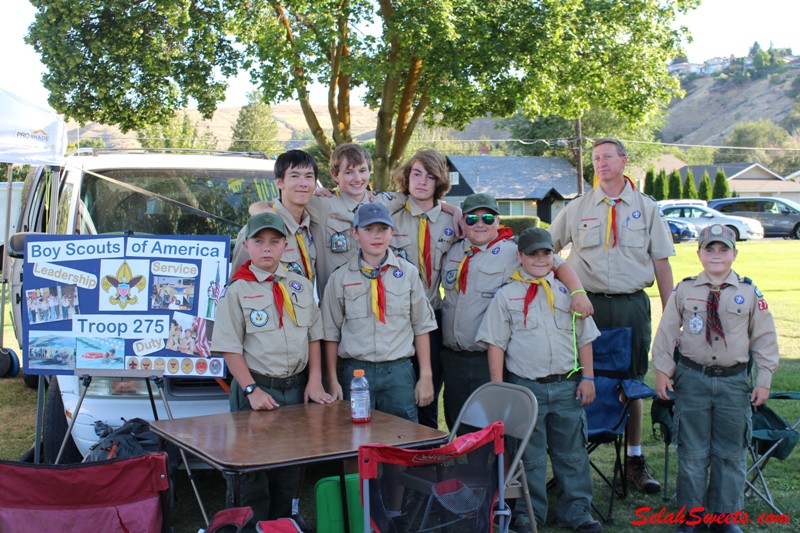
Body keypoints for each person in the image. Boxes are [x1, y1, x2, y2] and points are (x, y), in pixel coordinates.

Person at [549, 137, 675, 494]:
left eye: (607, 157)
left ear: (624, 160)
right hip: (586, 306)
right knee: (577, 378)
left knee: (630, 382)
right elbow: (548, 249)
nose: (601, 163)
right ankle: (572, 462)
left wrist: (671, 314)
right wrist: (569, 288)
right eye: (595, 159)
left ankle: (634, 461)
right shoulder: (578, 207)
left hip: (630, 304)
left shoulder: (646, 208)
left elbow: (662, 263)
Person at [652, 224, 779, 533]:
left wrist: (763, 380)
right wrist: (662, 371)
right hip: (692, 378)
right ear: (699, 253)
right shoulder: (684, 290)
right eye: (710, 249)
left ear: (734, 254)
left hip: (733, 383)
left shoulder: (749, 292)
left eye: (724, 249)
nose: (717, 255)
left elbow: (764, 339)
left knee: (730, 452)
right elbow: (667, 334)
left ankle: (724, 517)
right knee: (692, 452)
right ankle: (692, 516)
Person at [477, 227, 602, 533]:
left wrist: (588, 378)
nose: (540, 259)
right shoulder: (507, 296)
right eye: (532, 254)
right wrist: (499, 390)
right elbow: (496, 344)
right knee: (528, 457)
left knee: (571, 453)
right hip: (526, 389)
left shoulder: (567, 292)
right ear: (519, 257)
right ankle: (528, 514)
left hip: (566, 386)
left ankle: (576, 510)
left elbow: (585, 338)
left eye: (546, 253)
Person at [212, 211, 333, 524]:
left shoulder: (300, 285)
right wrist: (251, 390)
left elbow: (313, 336)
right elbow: (229, 347)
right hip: (256, 393)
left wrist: (315, 380)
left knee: (289, 472)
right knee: (251, 475)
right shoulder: (236, 290)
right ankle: (248, 528)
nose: (267, 248)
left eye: (274, 241)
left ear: (285, 246)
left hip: (294, 391)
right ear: (247, 246)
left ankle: (282, 526)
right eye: (259, 241)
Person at [440, 193, 592, 429]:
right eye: (472, 219)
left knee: (492, 427)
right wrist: (448, 207)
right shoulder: (452, 251)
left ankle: (498, 467)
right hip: (452, 358)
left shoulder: (513, 250)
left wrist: (578, 293)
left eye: (487, 218)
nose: (480, 224)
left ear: (498, 221)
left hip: (486, 358)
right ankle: (463, 467)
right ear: (463, 222)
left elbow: (557, 264)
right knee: (457, 423)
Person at [321, 202, 437, 422]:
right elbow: (330, 332)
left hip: (399, 371)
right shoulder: (340, 278)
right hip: (356, 372)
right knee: (356, 440)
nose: (377, 236)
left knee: (402, 439)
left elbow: (422, 326)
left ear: (392, 232)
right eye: (368, 230)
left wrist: (426, 376)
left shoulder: (408, 274)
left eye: (383, 229)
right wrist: (333, 380)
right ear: (355, 233)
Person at [387, 149, 457, 428]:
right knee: (400, 398)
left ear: (439, 182)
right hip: (398, 319)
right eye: (416, 174)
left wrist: (456, 210)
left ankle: (427, 463)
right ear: (407, 176)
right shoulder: (391, 215)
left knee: (428, 397)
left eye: (430, 176)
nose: (422, 182)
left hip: (433, 318)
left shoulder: (453, 222)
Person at [231, 150, 318, 284]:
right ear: (279, 182)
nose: (303, 183)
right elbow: (237, 288)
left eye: (309, 176)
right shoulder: (255, 231)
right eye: (294, 176)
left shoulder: (312, 226)